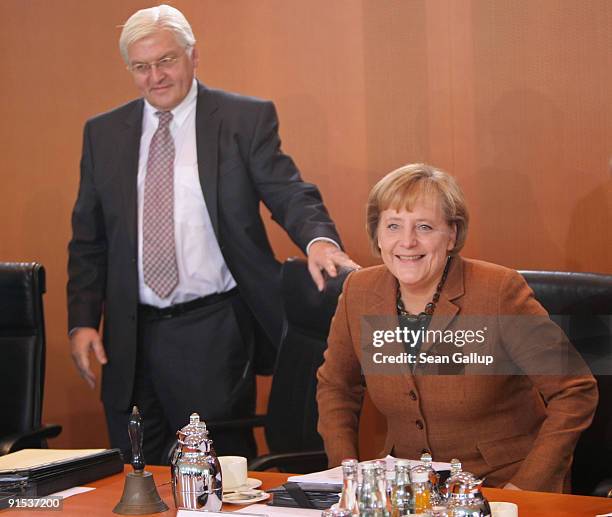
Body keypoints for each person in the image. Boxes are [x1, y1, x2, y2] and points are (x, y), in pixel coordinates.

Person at [67, 4, 358, 464]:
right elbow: (89, 238)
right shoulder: (103, 133)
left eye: (166, 60)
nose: (156, 76)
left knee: (218, 476)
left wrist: (319, 239)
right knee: (135, 472)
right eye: (142, 67)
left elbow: (287, 190)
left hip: (212, 330)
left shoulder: (243, 120)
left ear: (193, 55)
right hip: (128, 333)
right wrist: (83, 320)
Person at [316, 163, 598, 492]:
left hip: (500, 485)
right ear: (377, 234)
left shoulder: (498, 292)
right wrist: (345, 478)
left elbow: (575, 390)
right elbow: (336, 386)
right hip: (407, 491)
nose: (407, 242)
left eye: (424, 227)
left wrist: (526, 487)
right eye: (393, 225)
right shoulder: (359, 291)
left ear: (451, 234)